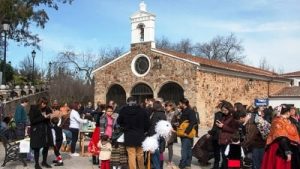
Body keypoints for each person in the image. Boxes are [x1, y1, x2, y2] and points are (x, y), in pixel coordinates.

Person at [261, 104, 300, 169]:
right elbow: (281, 137)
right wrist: (287, 151)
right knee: (280, 165)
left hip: (289, 146)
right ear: (288, 112)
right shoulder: (278, 121)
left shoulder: (287, 120)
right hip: (280, 148)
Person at [118, 96, 150, 169]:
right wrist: (143, 130)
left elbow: (119, 122)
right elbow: (147, 124)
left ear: (127, 102)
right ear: (136, 102)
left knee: (131, 155)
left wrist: (125, 127)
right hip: (140, 135)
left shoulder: (124, 110)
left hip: (129, 135)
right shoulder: (142, 110)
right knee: (140, 154)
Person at [29, 97, 53, 169]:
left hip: (46, 130)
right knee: (37, 148)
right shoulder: (34, 109)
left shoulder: (47, 108)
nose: (45, 105)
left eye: (46, 103)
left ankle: (44, 162)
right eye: (43, 103)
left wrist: (50, 117)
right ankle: (36, 164)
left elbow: (48, 118)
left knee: (46, 146)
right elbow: (32, 120)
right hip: (37, 131)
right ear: (40, 102)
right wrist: (43, 117)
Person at [216, 101, 239, 169]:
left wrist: (223, 126)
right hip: (223, 141)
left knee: (230, 158)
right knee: (224, 158)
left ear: (229, 109)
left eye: (225, 110)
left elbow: (234, 130)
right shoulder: (224, 117)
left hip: (230, 140)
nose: (223, 111)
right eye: (222, 110)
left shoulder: (233, 118)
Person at [178, 98, 197, 169]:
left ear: (183, 104)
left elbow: (193, 122)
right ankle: (187, 164)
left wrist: (186, 132)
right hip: (183, 132)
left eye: (180, 103)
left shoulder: (190, 111)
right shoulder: (183, 111)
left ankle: (183, 164)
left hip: (187, 133)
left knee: (185, 149)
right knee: (188, 149)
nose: (179, 105)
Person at [207, 100, 226, 169]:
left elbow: (215, 126)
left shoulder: (218, 114)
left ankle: (216, 166)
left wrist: (210, 133)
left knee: (217, 152)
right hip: (226, 136)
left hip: (217, 136)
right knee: (224, 153)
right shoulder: (229, 115)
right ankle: (224, 166)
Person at [148, 101, 166, 169]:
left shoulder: (157, 114)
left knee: (155, 155)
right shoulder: (162, 113)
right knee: (160, 153)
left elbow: (153, 127)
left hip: (155, 137)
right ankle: (160, 166)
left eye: (152, 105)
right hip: (160, 136)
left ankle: (158, 167)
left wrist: (150, 135)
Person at [165, 101, 178, 167]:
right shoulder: (165, 113)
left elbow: (178, 123)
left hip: (171, 133)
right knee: (161, 148)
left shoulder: (175, 114)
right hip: (164, 132)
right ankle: (161, 160)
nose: (166, 107)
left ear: (171, 107)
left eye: (168, 106)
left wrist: (173, 125)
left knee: (170, 147)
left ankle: (170, 161)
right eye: (166, 106)